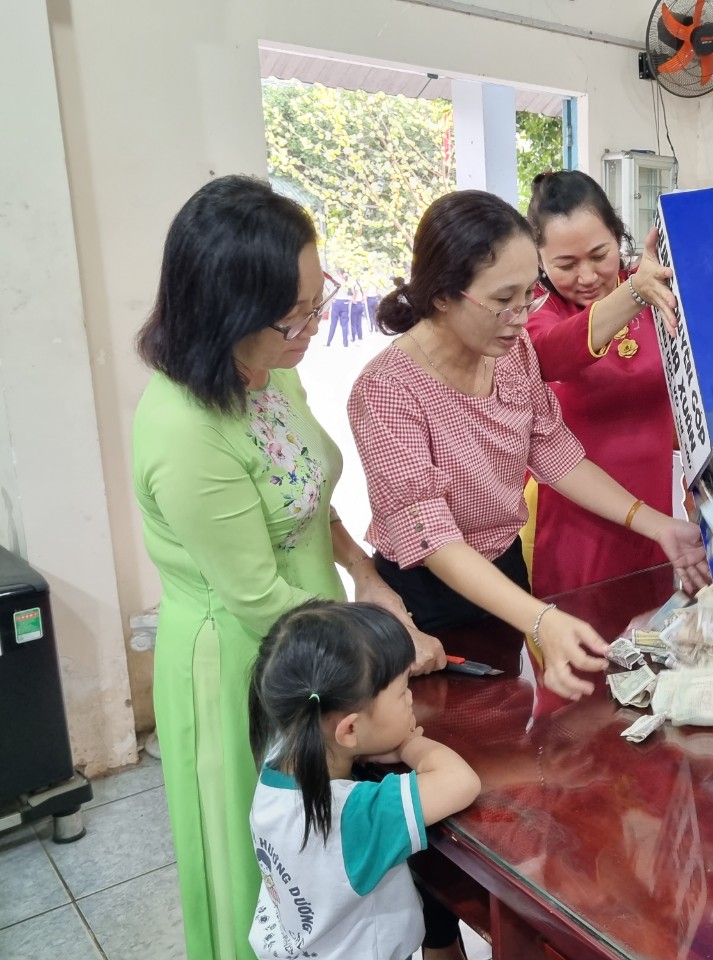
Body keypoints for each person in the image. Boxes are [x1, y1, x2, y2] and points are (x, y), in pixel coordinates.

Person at [132, 176, 445, 960]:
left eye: (316, 299)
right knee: (269, 875)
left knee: (333, 864)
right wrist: (381, 653)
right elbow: (256, 597)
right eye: (294, 315)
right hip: (244, 662)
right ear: (227, 313)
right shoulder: (184, 431)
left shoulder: (272, 368)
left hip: (317, 636)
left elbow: (308, 497)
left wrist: (367, 576)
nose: (313, 325)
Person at [350, 189, 710, 703]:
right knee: (441, 726)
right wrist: (541, 618)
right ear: (442, 295)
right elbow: (434, 540)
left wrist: (660, 525)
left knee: (510, 715)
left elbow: (558, 456)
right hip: (424, 598)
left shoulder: (510, 352)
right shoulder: (387, 391)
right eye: (503, 301)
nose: (521, 318)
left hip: (504, 570)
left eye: (528, 296)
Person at [247, 601, 481, 960]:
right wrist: (408, 744)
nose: (410, 699)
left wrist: (359, 751)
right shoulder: (351, 818)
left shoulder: (275, 765)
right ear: (350, 729)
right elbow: (460, 781)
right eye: (402, 691)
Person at [523, 170, 681, 596]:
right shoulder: (536, 320)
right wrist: (634, 294)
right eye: (566, 265)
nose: (588, 276)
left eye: (599, 255)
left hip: (655, 512)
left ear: (617, 235)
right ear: (539, 261)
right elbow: (554, 353)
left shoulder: (656, 288)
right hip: (570, 525)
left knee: (651, 628)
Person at [326, 271, 351, 347]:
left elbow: (327, 286)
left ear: (339, 273)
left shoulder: (335, 279)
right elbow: (351, 293)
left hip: (336, 302)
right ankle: (345, 343)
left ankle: (328, 342)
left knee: (333, 324)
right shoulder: (348, 281)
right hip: (345, 303)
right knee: (345, 324)